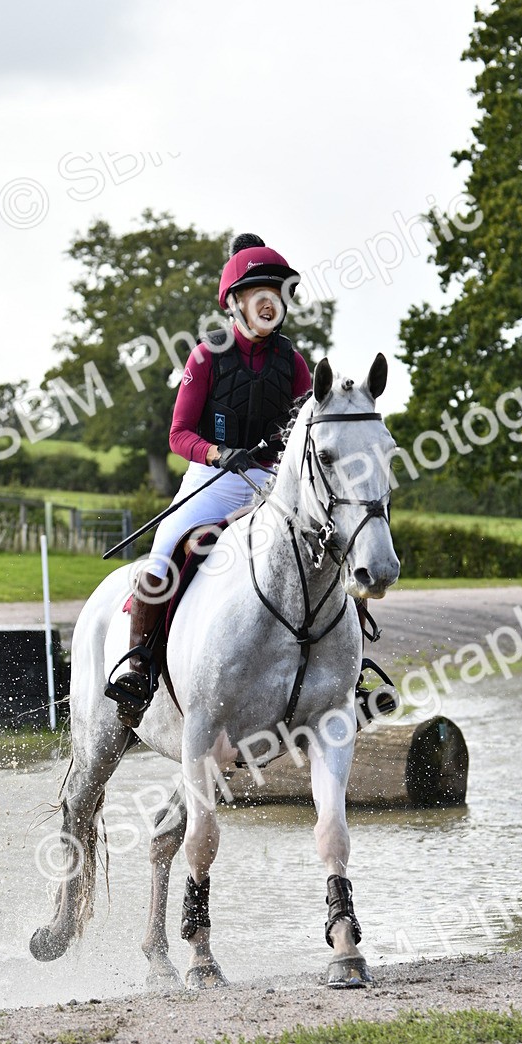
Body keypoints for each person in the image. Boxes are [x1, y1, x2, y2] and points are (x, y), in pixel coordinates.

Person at [105, 234, 312, 726]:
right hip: (213, 478)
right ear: (235, 301)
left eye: (278, 292)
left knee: (324, 544)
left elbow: (311, 425)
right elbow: (178, 435)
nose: (270, 301)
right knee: (166, 549)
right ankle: (138, 663)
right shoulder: (205, 356)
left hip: (271, 482)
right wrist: (221, 452)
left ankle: (344, 666)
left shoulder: (294, 363)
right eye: (259, 291)